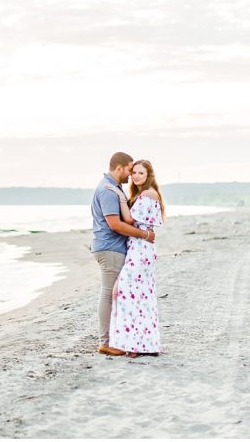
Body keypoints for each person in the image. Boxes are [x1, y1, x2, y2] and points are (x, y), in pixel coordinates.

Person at [91, 152, 156, 356]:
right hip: (110, 248)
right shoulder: (109, 190)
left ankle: (116, 339)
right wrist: (144, 234)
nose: (131, 175)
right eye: (129, 169)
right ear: (119, 168)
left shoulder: (114, 188)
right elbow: (115, 224)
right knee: (110, 294)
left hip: (112, 247)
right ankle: (106, 342)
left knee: (115, 294)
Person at [108, 159, 166, 357]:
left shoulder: (148, 194)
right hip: (139, 248)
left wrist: (120, 198)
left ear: (148, 175)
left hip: (141, 249)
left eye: (141, 173)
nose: (136, 176)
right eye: (134, 173)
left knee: (127, 293)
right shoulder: (142, 194)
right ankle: (146, 344)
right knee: (140, 296)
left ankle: (136, 345)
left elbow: (130, 220)